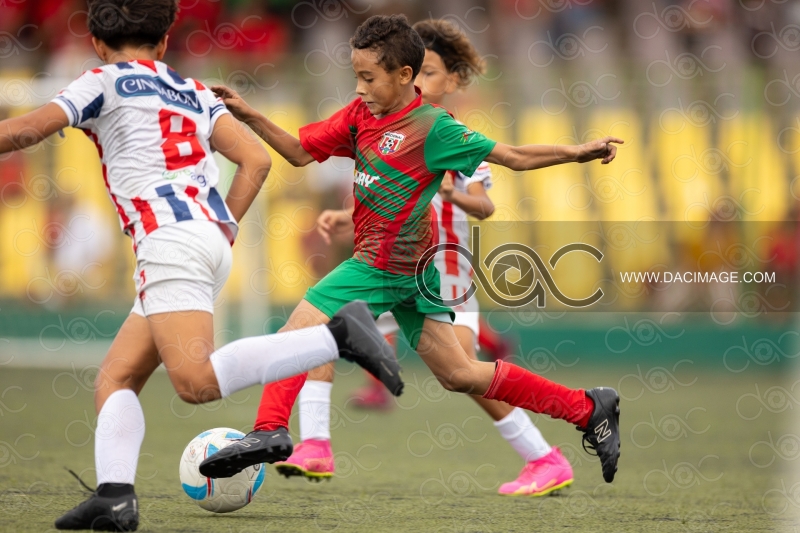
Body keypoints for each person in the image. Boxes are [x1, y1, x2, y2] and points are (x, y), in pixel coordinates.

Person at [0, 1, 401, 530]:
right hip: (203, 235)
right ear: (165, 43)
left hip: (169, 240)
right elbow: (255, 160)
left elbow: (28, 129)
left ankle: (337, 337)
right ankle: (114, 495)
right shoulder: (191, 89)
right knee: (117, 376)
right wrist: (225, 227)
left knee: (194, 383)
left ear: (97, 43)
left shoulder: (100, 79)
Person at [201, 14, 622, 487]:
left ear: (403, 76)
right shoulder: (362, 115)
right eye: (356, 76)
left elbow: (512, 156)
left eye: (368, 78)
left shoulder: (434, 126)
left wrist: (575, 152)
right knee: (460, 373)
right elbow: (300, 152)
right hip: (416, 272)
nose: (359, 88)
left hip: (383, 264)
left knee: (298, 330)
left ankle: (269, 430)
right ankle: (587, 407)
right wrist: (249, 114)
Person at [272, 18, 573, 497]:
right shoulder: (386, 127)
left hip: (442, 272)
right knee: (321, 335)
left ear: (450, 82)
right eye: (419, 74)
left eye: (430, 74)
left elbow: (485, 202)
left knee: (463, 374)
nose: (420, 83)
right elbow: (388, 195)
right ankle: (315, 443)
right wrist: (347, 216)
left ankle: (543, 455)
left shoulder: (452, 138)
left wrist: (456, 194)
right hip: (389, 264)